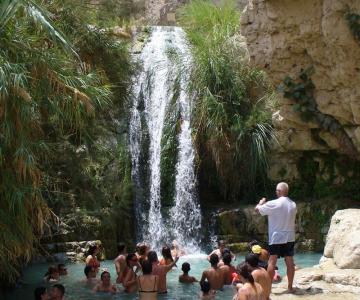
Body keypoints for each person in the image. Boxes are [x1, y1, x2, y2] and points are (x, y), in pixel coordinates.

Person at [255, 182, 297, 292]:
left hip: (276, 236)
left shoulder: (274, 203)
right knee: (289, 261)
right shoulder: (293, 204)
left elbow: (257, 210)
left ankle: (267, 289)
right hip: (289, 236)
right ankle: (290, 287)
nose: (276, 192)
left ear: (279, 191)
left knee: (272, 262)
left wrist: (261, 202)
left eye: (277, 190)